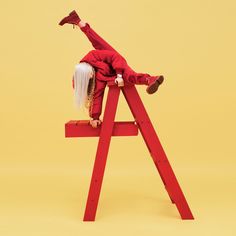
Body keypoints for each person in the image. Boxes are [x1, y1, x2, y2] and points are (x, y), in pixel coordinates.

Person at [59, 10, 164, 128]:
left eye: (89, 74)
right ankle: (77, 21)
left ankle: (150, 79)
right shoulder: (87, 80)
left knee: (128, 75)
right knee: (97, 41)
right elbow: (97, 95)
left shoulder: (92, 57)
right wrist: (94, 117)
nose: (90, 76)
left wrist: (119, 75)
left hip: (115, 60)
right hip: (108, 69)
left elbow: (114, 57)